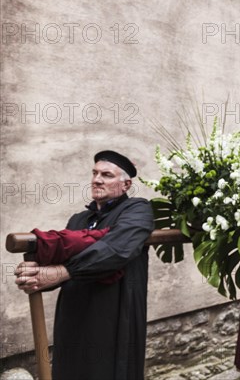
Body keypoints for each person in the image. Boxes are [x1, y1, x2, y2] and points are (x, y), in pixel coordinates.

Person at [14, 150, 154, 380]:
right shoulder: (78, 219)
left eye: (107, 175)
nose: (97, 179)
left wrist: (64, 271)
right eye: (95, 173)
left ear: (126, 184)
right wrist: (37, 277)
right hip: (74, 311)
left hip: (114, 310)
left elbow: (115, 251)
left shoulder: (138, 210)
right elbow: (61, 262)